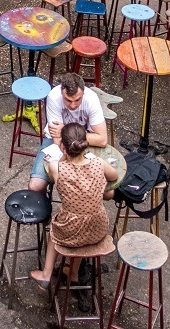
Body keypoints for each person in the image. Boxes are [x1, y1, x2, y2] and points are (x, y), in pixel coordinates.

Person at [29, 122, 119, 289]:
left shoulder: (57, 167)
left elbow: (56, 169)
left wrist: (64, 155)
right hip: (98, 229)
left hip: (70, 230)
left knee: (55, 230)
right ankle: (73, 273)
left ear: (63, 146)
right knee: (84, 223)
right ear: (85, 144)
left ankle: (46, 274)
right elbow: (114, 176)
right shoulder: (98, 163)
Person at [28, 73, 109, 193]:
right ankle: (45, 202)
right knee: (35, 186)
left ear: (83, 93)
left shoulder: (91, 99)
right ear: (61, 93)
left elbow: (102, 140)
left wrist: (64, 129)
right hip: (58, 143)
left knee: (107, 191)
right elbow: (57, 140)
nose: (73, 105)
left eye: (77, 100)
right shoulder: (54, 97)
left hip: (84, 143)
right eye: (68, 100)